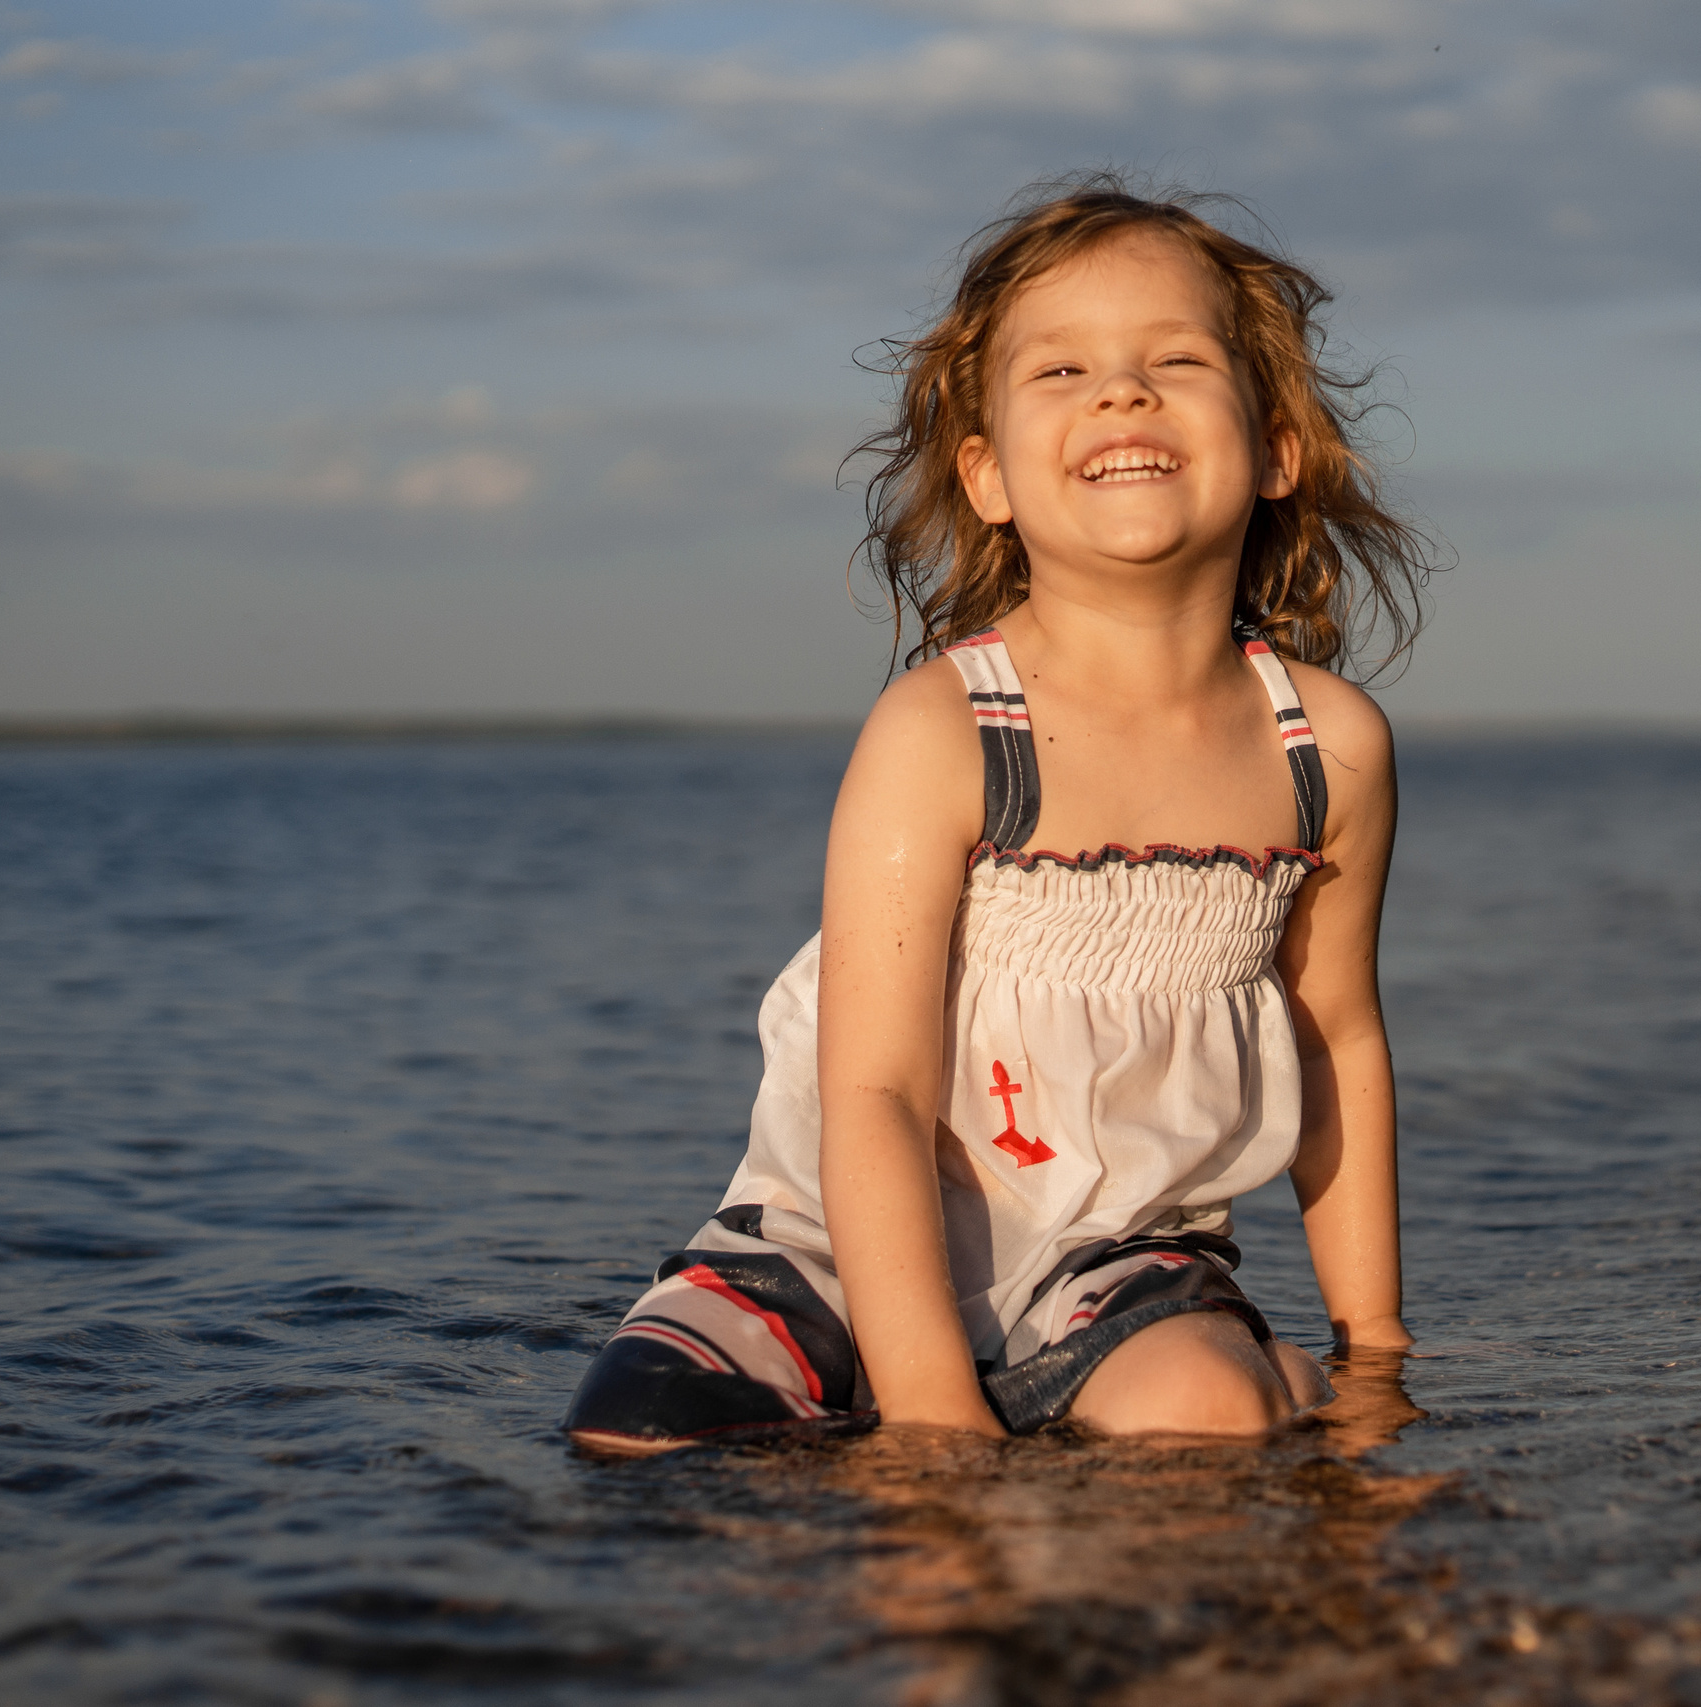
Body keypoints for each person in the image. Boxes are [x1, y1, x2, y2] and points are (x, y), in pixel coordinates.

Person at [564, 174, 1431, 1452]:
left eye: (1175, 360)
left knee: (1199, 1419)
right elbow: (872, 1093)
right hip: (838, 1229)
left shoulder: (1324, 750)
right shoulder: (949, 733)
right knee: (635, 1434)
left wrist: (1377, 1352)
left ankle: (1254, 1371)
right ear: (987, 478)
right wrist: (931, 1423)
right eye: (1062, 371)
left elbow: (1333, 1041)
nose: (1120, 393)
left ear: (1277, 449)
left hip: (1110, 1247)